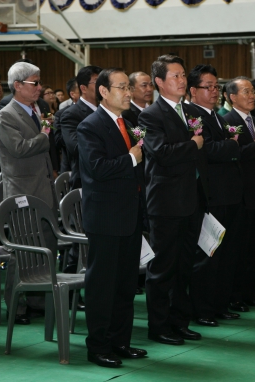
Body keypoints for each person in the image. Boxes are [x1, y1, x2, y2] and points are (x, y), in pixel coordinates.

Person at [77, 68, 147, 368]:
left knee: (125, 283)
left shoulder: (129, 121)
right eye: (122, 87)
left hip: (131, 214)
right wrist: (131, 157)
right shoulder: (90, 126)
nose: (128, 93)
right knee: (103, 285)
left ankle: (121, 341)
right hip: (105, 216)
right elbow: (96, 168)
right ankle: (98, 346)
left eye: (129, 87)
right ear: (103, 91)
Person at [138, 54, 209, 345]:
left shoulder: (189, 111)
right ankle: (159, 326)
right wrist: (193, 143)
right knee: (163, 267)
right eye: (176, 76)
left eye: (183, 75)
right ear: (159, 82)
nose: (182, 81)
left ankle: (180, 321)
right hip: (166, 201)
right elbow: (161, 153)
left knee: (184, 265)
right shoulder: (149, 115)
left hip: (190, 198)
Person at [0, 61, 58, 319]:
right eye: (35, 83)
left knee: (46, 244)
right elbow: (18, 149)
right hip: (22, 191)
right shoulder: (7, 114)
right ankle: (15, 306)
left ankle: (38, 300)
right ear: (17, 86)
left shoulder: (36, 109)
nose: (40, 88)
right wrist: (44, 135)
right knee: (22, 249)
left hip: (42, 189)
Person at [187, 65, 242, 327]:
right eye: (207, 86)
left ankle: (220, 304)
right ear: (193, 91)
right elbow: (207, 150)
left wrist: (230, 146)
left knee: (226, 254)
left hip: (228, 192)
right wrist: (231, 145)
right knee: (208, 255)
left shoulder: (218, 115)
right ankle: (202, 309)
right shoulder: (193, 116)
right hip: (211, 195)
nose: (214, 91)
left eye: (216, 86)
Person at [223, 77, 255, 310]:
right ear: (232, 97)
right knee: (239, 247)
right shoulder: (227, 122)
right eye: (246, 91)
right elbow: (233, 156)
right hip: (240, 194)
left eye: (253, 91)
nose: (252, 95)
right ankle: (234, 295)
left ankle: (249, 293)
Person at [60, 65, 103, 190]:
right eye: (97, 83)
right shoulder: (71, 114)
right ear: (83, 88)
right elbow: (77, 147)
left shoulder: (107, 111)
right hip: (87, 181)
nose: (102, 87)